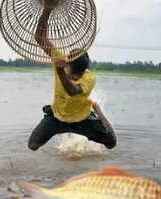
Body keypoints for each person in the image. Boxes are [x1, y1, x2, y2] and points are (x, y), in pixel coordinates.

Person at [28, 5, 116, 151]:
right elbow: (39, 37)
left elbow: (73, 91)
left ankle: (98, 110)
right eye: (72, 73)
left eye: (78, 75)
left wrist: (60, 71)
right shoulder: (59, 58)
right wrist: (47, 9)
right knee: (32, 145)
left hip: (82, 118)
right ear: (67, 63)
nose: (75, 77)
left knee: (111, 144)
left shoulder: (89, 78)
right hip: (57, 116)